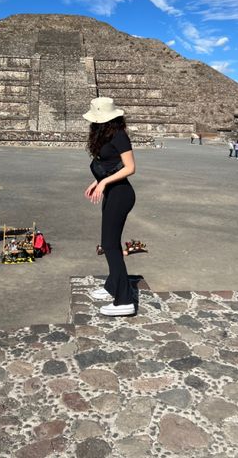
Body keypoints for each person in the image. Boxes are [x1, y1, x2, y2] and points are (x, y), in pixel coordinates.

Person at [83, 97, 136, 317]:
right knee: (110, 242)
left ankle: (124, 300)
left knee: (109, 244)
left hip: (121, 194)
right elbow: (110, 165)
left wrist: (103, 182)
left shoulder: (120, 135)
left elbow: (130, 168)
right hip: (112, 193)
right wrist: (98, 181)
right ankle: (112, 286)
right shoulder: (106, 134)